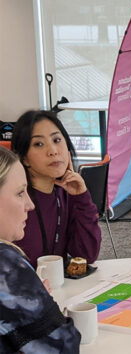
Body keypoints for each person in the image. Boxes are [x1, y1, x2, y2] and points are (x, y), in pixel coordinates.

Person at [0, 146, 81, 352]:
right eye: (19, 193)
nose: (30, 204)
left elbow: (86, 252)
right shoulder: (5, 263)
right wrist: (45, 312)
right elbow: (64, 345)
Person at [11, 110, 101, 268]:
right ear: (24, 158)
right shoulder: (13, 201)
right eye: (38, 144)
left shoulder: (66, 192)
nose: (53, 151)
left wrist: (82, 198)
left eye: (57, 139)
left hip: (59, 288)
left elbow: (86, 255)